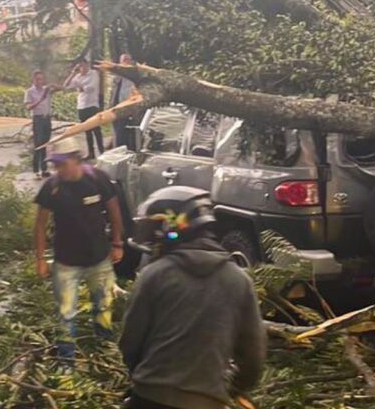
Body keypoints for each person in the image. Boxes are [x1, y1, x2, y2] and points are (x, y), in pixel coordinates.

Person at [120, 186, 266, 409]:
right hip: (207, 401)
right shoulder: (239, 280)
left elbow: (130, 342)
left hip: (149, 396)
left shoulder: (155, 274)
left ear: (171, 227)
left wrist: (146, 379)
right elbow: (253, 358)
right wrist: (228, 389)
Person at [34, 136, 123, 361]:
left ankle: (105, 349)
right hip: (66, 260)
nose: (59, 169)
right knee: (66, 312)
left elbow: (114, 213)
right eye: (56, 165)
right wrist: (41, 258)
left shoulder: (97, 179)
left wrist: (117, 243)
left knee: (103, 305)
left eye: (62, 163)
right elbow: (40, 224)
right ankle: (67, 359)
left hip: (99, 257)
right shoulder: (52, 187)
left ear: (76, 159)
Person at [62, 59, 104, 160]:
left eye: (84, 65)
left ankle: (102, 152)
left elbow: (91, 88)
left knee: (96, 130)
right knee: (87, 130)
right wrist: (72, 73)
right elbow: (65, 85)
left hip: (92, 105)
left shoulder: (93, 74)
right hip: (82, 106)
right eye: (80, 66)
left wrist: (81, 87)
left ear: (87, 65)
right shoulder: (77, 77)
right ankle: (91, 152)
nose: (82, 68)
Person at [24, 71, 54, 178]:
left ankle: (44, 169)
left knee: (45, 144)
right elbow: (28, 107)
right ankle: (36, 170)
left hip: (47, 119)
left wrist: (53, 87)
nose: (39, 81)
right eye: (37, 79)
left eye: (41, 79)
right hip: (38, 119)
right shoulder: (29, 91)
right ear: (33, 79)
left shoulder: (46, 90)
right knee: (38, 144)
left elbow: (62, 87)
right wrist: (40, 99)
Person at [109, 53, 137, 150]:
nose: (125, 62)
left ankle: (126, 152)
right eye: (123, 60)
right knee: (118, 133)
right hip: (117, 108)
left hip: (130, 108)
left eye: (127, 60)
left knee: (128, 134)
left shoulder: (135, 75)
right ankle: (118, 151)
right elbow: (113, 93)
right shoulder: (117, 77)